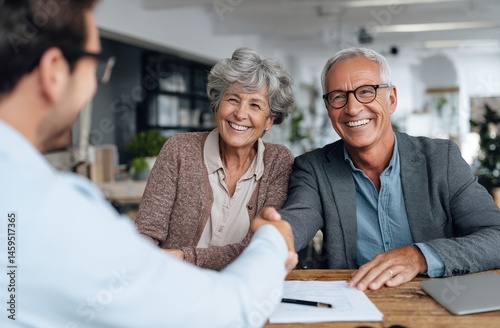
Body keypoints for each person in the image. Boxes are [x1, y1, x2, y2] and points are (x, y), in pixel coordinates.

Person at [0, 1, 297, 327]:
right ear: (53, 70)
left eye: (255, 105)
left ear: (270, 119)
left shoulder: (26, 192)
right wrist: (272, 239)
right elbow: (230, 312)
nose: (95, 84)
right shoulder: (51, 206)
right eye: (95, 67)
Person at [261, 47, 500, 291]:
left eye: (366, 91)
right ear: (328, 107)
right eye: (338, 96)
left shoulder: (441, 159)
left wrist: (419, 256)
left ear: (392, 99)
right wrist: (276, 236)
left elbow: (496, 236)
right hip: (356, 303)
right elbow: (299, 218)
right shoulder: (314, 168)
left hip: (438, 303)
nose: (352, 108)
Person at [135, 47, 295, 270]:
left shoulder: (278, 161)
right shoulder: (180, 149)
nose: (240, 113)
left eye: (255, 105)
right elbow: (146, 233)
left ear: (269, 120)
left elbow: (260, 248)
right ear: (218, 103)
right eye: (233, 99)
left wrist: (183, 257)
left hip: (241, 289)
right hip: (174, 283)